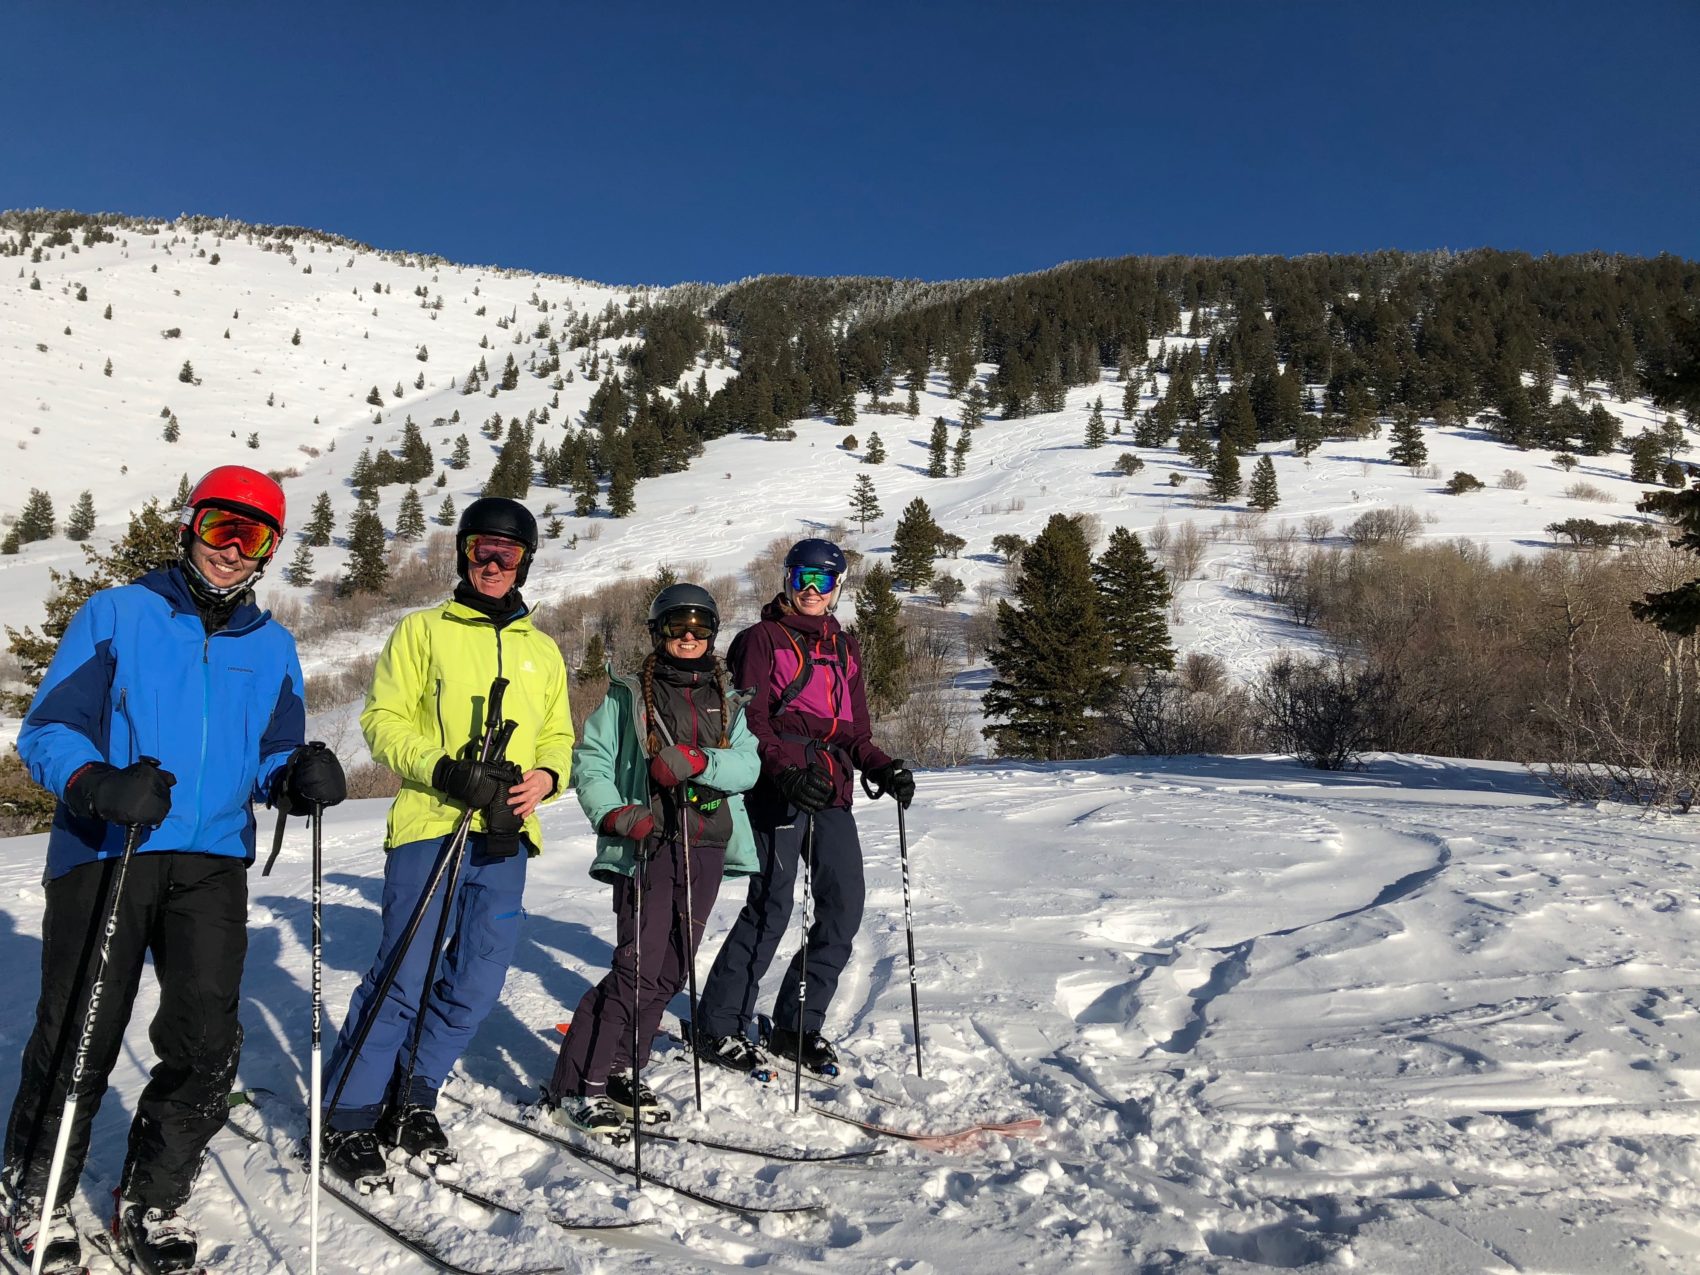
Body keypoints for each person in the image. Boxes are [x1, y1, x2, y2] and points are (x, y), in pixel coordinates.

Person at [2, 466, 345, 1275]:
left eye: (250, 536)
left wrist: (295, 774)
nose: (229, 549)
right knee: (81, 1028)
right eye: (220, 525)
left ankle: (151, 1196)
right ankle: (34, 1188)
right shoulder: (119, 613)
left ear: (268, 550)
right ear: (190, 524)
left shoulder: (274, 646)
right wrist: (94, 780)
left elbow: (270, 752)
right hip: (106, 846)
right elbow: (48, 728)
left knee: (205, 1036)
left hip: (211, 858)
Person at [321, 497, 572, 1189]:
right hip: (434, 824)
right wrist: (442, 767)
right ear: (463, 553)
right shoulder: (423, 631)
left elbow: (558, 737)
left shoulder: (541, 649)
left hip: (505, 834)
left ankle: (413, 1095)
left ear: (525, 561)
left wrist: (547, 777)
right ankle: (348, 1111)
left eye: (508, 553)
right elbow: (382, 719)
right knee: (403, 975)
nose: (493, 563)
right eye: (481, 550)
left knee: (478, 981)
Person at [693, 538, 915, 1078]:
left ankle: (797, 1022)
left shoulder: (846, 646)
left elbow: (856, 732)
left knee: (844, 905)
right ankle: (719, 1023)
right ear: (786, 581)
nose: (811, 591)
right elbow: (749, 722)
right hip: (778, 787)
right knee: (772, 904)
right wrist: (785, 772)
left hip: (831, 788)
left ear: (838, 587)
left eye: (823, 581)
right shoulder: (760, 640)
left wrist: (883, 766)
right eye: (801, 579)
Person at [544, 584, 760, 1137]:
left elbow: (746, 768)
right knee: (637, 968)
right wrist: (615, 814)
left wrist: (697, 761)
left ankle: (623, 1068)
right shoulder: (626, 697)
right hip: (649, 843)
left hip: (706, 843)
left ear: (712, 634)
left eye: (699, 629)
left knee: (672, 969)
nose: (688, 639)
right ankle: (580, 1083)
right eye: (676, 628)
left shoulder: (727, 697)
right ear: (658, 632)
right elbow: (590, 761)